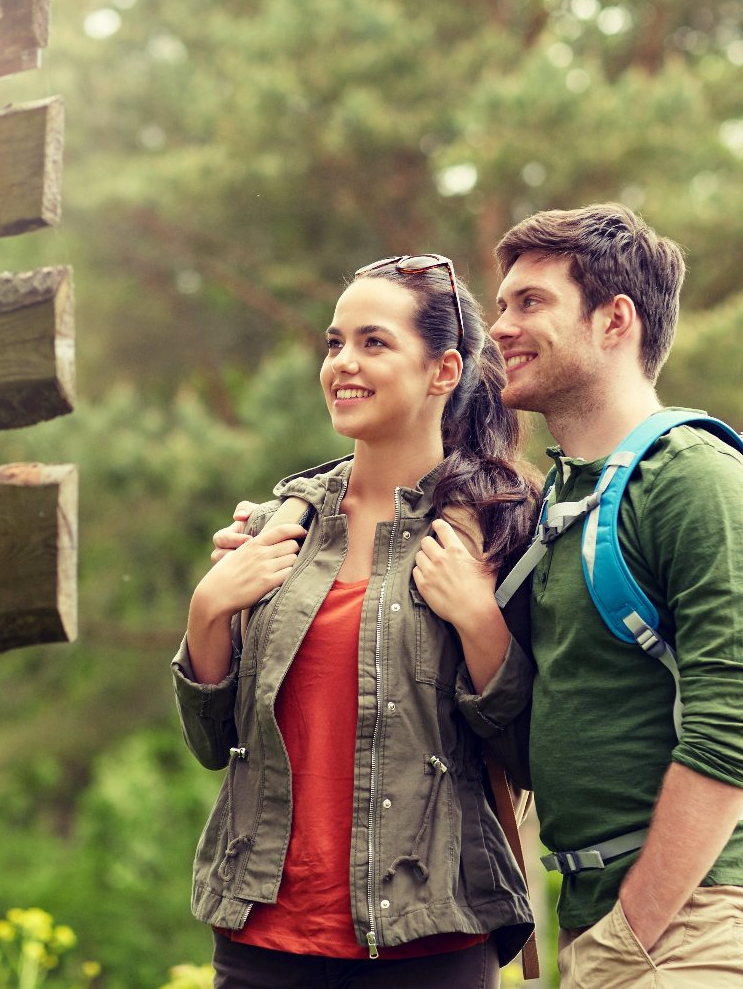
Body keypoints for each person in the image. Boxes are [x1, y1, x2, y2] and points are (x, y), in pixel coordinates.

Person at [172, 254, 541, 988]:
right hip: (261, 942)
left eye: (374, 343)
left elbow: (534, 757)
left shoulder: (500, 529)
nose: (343, 362)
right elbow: (214, 744)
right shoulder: (282, 524)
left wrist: (481, 626)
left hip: (430, 943)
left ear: (443, 371)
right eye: (334, 342)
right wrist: (208, 609)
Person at [486, 203, 743, 987]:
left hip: (696, 921)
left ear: (613, 320)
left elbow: (731, 726)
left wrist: (636, 927)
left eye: (531, 303)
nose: (500, 328)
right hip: (606, 918)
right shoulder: (564, 502)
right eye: (501, 306)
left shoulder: (694, 476)